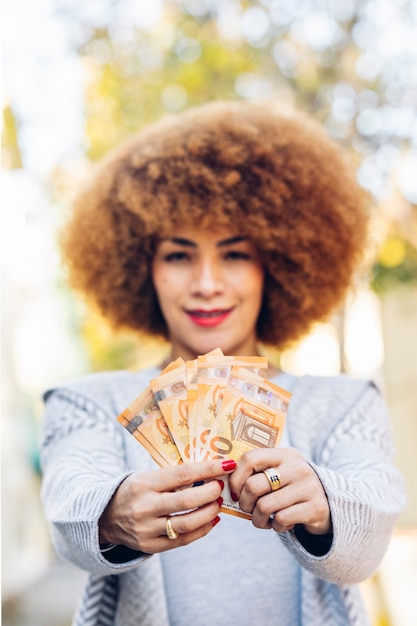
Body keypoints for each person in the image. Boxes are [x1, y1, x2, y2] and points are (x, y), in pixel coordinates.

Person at [40, 100, 406, 626]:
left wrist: (326, 502)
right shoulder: (88, 400)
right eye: (179, 254)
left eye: (235, 254)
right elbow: (69, 505)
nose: (207, 283)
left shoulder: (346, 402)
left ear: (276, 266)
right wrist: (111, 513)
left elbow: (370, 532)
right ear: (143, 267)